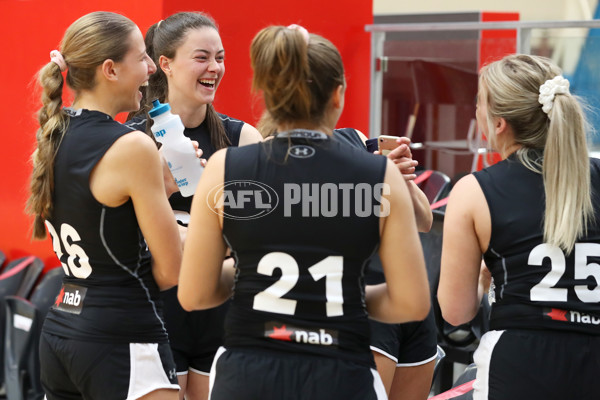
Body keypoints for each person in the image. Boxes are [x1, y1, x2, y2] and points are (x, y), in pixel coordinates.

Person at [178, 24, 431, 400]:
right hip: (340, 373)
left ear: (268, 94)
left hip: (250, 373)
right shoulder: (380, 176)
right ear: (338, 95)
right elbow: (411, 302)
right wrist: (335, 293)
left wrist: (251, 274)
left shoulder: (224, 167)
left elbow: (194, 296)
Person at [26, 11, 182, 400]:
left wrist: (161, 189)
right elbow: (172, 270)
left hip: (63, 332)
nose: (150, 69)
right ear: (110, 69)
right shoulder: (131, 145)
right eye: (142, 57)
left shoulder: (54, 131)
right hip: (122, 336)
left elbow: (103, 230)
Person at [438, 54, 600, 400]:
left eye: (479, 103)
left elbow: (456, 311)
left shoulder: (474, 189)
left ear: (499, 123)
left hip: (521, 362)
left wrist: (487, 280)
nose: (475, 112)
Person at [127, 11, 262, 400]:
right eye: (202, 57)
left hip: (222, 309)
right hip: (154, 311)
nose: (215, 68)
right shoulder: (132, 139)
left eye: (220, 57)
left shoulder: (242, 137)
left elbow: (264, 228)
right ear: (165, 64)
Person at [335, 129, 438, 400]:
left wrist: (398, 181)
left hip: (410, 299)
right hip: (363, 303)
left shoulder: (353, 138)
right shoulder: (281, 155)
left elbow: (424, 221)